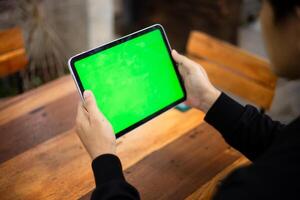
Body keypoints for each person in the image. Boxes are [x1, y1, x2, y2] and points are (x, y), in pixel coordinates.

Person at [75, 0, 300, 199]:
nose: (261, 17)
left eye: (264, 5)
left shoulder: (256, 188)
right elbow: (279, 141)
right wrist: (208, 98)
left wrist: (104, 158)